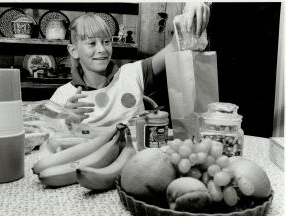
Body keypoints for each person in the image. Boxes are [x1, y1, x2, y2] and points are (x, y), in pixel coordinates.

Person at [50, 2, 210, 127]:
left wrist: (192, 10)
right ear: (74, 50)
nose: (102, 49)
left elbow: (175, 46)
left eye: (106, 41)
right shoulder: (62, 96)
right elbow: (43, 136)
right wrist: (63, 121)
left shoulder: (133, 73)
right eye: (92, 43)